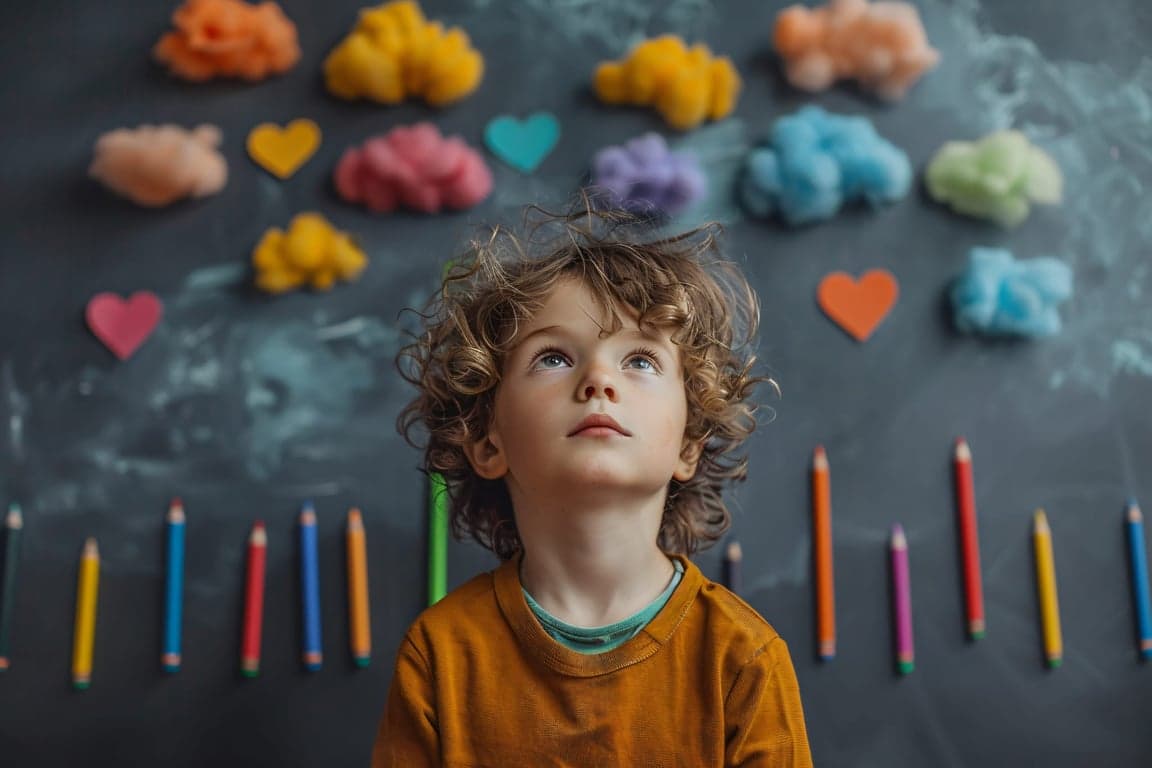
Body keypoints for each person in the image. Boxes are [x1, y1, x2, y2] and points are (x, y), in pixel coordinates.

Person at [373, 201, 812, 767]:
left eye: (642, 361)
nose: (599, 379)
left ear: (687, 445)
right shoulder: (440, 654)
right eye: (554, 357)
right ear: (486, 441)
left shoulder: (743, 658)